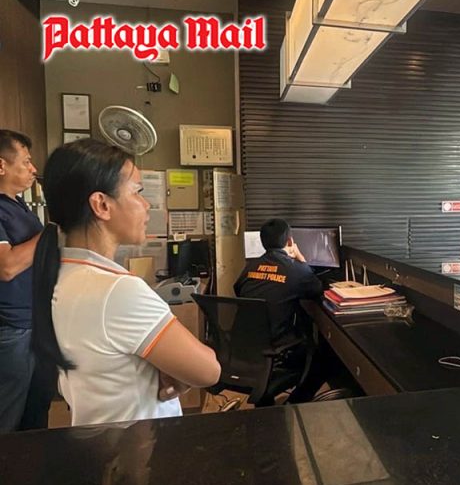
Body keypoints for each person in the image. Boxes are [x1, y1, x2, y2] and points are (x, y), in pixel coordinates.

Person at [32, 139, 221, 427]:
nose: (146, 205)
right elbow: (208, 371)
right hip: (140, 445)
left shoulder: (62, 275)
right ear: (102, 205)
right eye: (137, 192)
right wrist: (178, 371)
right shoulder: (117, 290)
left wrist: (167, 366)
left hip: (99, 438)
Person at [234, 218, 325, 402]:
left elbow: (238, 290)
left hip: (244, 349)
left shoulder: (250, 267)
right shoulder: (296, 270)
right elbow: (317, 289)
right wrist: (300, 258)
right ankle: (295, 402)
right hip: (278, 351)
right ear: (289, 241)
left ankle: (268, 406)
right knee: (323, 360)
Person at [0, 130, 44, 433]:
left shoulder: (19, 207)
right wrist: (50, 233)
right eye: (26, 161)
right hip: (12, 329)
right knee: (8, 416)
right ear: (2, 165)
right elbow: (7, 267)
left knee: (35, 413)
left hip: (35, 325)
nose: (33, 169)